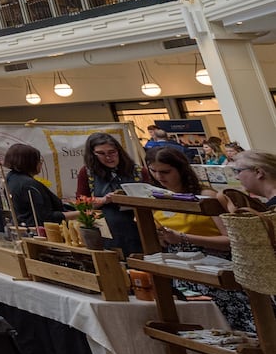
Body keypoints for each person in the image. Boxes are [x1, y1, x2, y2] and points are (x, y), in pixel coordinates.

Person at [148, 147, 253, 332]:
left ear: (180, 169)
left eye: (165, 172)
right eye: (153, 171)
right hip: (181, 271)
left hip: (215, 267)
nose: (159, 176)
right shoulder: (156, 198)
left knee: (235, 326)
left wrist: (183, 238)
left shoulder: (206, 196)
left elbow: (229, 239)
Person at [81, 131, 143, 254]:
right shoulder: (87, 173)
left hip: (138, 227)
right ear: (92, 154)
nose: (108, 157)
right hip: (106, 231)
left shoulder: (137, 171)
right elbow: (81, 204)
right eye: (101, 154)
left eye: (112, 152)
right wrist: (104, 200)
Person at [2, 143, 69, 226]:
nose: (41, 163)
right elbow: (47, 218)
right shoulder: (29, 184)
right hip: (39, 231)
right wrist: (80, 214)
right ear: (30, 162)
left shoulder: (10, 178)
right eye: (39, 160)